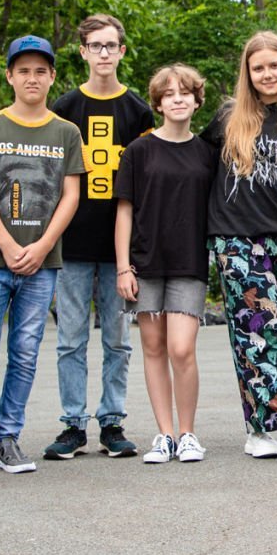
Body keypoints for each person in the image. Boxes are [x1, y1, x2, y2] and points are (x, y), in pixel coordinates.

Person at [0, 37, 85, 477]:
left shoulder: (66, 132)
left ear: (51, 77)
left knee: (25, 351)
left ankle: (7, 439)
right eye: (23, 70)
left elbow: (70, 195)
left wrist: (42, 246)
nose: (32, 78)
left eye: (40, 71)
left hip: (41, 264)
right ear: (9, 75)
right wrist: (7, 245)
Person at [204, 31, 277, 464]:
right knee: (260, 330)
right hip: (237, 237)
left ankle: (258, 430)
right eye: (258, 68)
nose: (267, 74)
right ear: (248, 72)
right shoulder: (227, 118)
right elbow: (197, 173)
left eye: (275, 65)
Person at [45, 14, 155, 460]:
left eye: (111, 45)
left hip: (119, 250)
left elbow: (147, 181)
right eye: (96, 46)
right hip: (72, 244)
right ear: (83, 52)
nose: (104, 53)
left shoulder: (138, 112)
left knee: (117, 340)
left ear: (122, 51)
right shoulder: (65, 108)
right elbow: (51, 176)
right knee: (70, 339)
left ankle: (112, 422)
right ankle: (73, 425)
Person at [116, 64, 217, 464]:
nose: (177, 99)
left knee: (181, 348)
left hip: (189, 264)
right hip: (145, 264)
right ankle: (165, 435)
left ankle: (188, 433)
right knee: (153, 347)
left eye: (185, 93)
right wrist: (123, 267)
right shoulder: (138, 151)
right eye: (169, 94)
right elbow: (124, 212)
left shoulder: (207, 153)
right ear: (158, 103)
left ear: (196, 100)